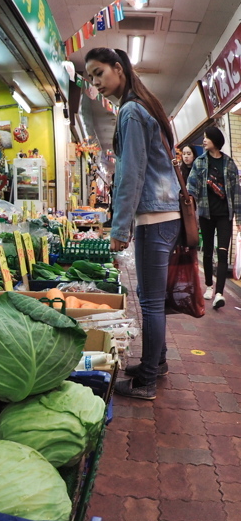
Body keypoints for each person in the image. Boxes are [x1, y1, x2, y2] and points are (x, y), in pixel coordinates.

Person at [85, 47, 181, 401]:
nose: (96, 82)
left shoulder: (131, 112)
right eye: (91, 78)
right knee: (151, 299)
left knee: (151, 301)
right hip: (160, 215)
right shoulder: (141, 107)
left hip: (154, 218)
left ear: (119, 68)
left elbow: (131, 174)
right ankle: (157, 364)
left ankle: (146, 382)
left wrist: (119, 229)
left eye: (99, 73)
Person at [187, 126, 241, 310]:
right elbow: (191, 187)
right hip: (206, 214)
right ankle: (209, 285)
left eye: (206, 138)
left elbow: (236, 193)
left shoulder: (229, 164)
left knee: (223, 251)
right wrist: (187, 203)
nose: (204, 140)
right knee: (208, 251)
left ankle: (219, 293)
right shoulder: (200, 162)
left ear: (215, 141)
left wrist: (239, 220)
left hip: (225, 215)